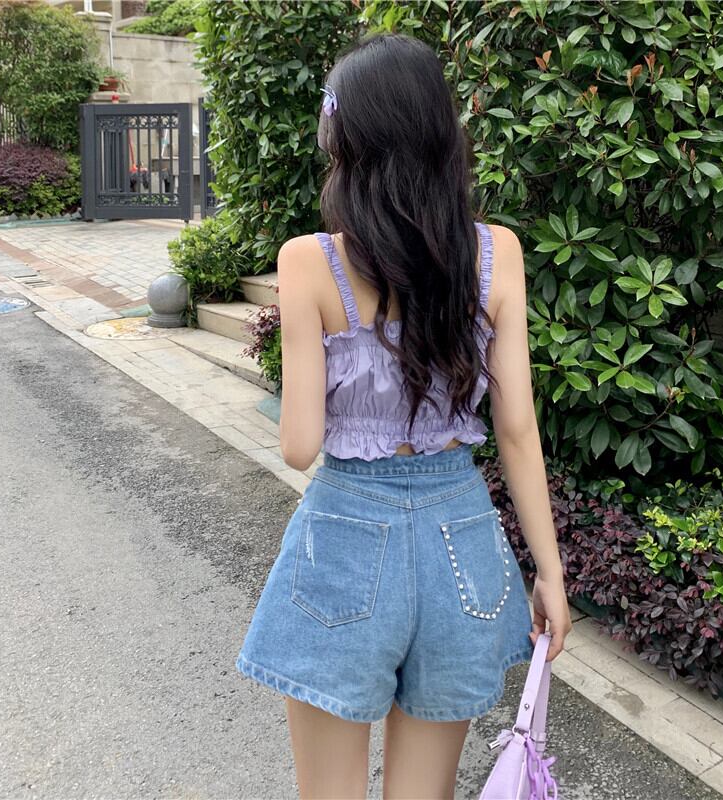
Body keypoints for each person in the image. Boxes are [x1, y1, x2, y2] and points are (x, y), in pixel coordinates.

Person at [235, 30, 572, 800]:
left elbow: (299, 446)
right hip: (463, 541)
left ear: (348, 145)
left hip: (346, 539)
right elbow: (518, 431)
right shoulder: (498, 254)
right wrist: (550, 575)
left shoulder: (308, 261)